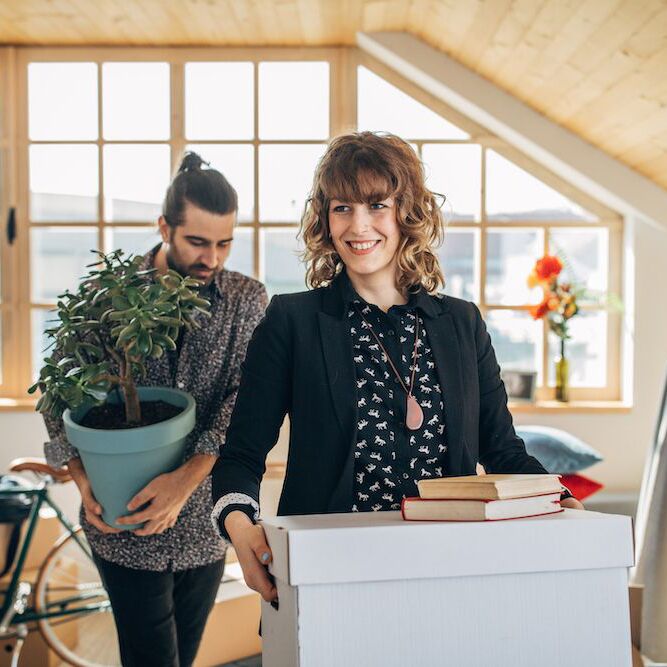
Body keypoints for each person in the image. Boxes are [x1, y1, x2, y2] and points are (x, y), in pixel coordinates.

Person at [210, 132, 584, 603]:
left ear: (407, 213)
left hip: (449, 572)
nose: (357, 225)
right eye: (342, 207)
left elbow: (503, 451)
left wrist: (561, 498)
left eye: (376, 206)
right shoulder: (293, 321)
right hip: (328, 573)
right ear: (325, 219)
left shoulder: (462, 323)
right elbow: (241, 457)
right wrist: (242, 530)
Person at [43, 152, 268, 667]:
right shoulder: (109, 297)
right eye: (198, 242)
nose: (213, 258)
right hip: (121, 523)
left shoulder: (247, 300)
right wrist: (79, 475)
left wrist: (187, 480)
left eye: (225, 243)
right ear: (164, 226)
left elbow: (247, 397)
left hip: (204, 524)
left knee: (181, 658)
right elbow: (60, 390)